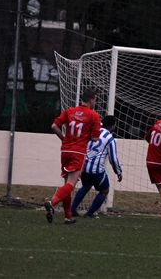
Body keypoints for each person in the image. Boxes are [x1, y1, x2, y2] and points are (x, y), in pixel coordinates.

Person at [45, 89, 101, 224]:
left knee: (66, 184)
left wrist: (64, 139)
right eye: (95, 100)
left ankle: (68, 216)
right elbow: (94, 138)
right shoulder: (93, 115)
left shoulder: (69, 111)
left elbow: (54, 126)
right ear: (91, 99)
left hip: (65, 151)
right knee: (71, 183)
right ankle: (51, 203)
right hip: (78, 152)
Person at [71, 115, 123, 218]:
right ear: (112, 126)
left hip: (84, 168)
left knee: (86, 186)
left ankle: (72, 209)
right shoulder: (110, 139)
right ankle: (89, 213)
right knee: (105, 190)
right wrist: (118, 172)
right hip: (97, 171)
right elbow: (113, 158)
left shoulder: (93, 132)